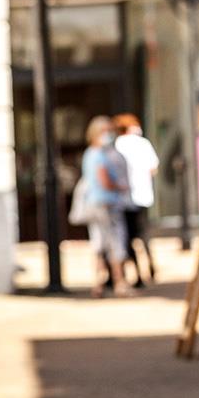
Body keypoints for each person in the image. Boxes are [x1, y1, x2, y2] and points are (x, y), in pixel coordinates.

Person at [79, 115, 131, 297]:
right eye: (105, 131)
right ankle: (119, 282)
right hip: (107, 203)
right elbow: (104, 180)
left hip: (94, 203)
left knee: (99, 244)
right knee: (115, 243)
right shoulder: (100, 154)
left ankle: (99, 284)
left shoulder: (89, 154)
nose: (108, 135)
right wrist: (120, 186)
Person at [113, 113, 159, 287]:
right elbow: (153, 167)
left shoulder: (118, 145)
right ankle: (150, 264)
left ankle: (139, 274)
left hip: (125, 197)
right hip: (144, 195)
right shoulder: (143, 143)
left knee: (129, 237)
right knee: (144, 234)